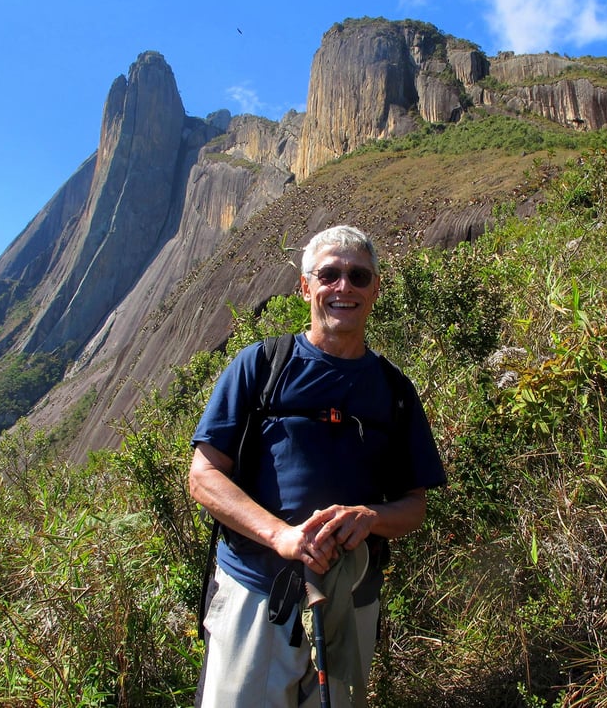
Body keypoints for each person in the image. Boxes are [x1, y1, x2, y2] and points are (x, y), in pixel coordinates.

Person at [189, 225, 445, 707]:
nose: (343, 286)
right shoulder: (261, 365)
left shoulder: (394, 391)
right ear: (306, 286)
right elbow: (203, 478)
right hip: (257, 593)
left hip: (351, 601)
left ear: (375, 289)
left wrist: (370, 517)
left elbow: (414, 507)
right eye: (329, 274)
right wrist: (280, 536)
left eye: (358, 276)